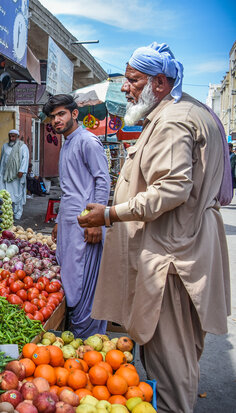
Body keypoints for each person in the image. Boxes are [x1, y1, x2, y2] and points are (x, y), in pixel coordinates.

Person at [77, 42, 231, 413]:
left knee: (170, 358)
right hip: (182, 247)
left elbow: (172, 188)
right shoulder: (186, 110)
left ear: (159, 83)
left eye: (132, 80)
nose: (125, 88)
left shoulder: (173, 121)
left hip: (173, 258)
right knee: (175, 352)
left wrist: (110, 214)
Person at [45, 94, 110, 338]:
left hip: (87, 223)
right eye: (53, 117)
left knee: (84, 281)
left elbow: (102, 182)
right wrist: (60, 221)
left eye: (61, 114)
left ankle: (87, 338)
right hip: (70, 222)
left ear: (74, 113)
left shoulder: (88, 141)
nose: (56, 120)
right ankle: (75, 332)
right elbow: (69, 188)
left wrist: (97, 220)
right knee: (70, 275)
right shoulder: (67, 142)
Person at [0, 129, 29, 220]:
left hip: (17, 176)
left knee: (17, 196)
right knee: (6, 195)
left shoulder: (22, 147)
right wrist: (0, 174)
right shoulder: (5, 146)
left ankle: (17, 213)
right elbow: (2, 160)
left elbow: (25, 159)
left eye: (14, 136)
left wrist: (21, 171)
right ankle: (8, 214)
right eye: (10, 136)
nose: (12, 138)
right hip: (6, 175)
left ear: (17, 137)